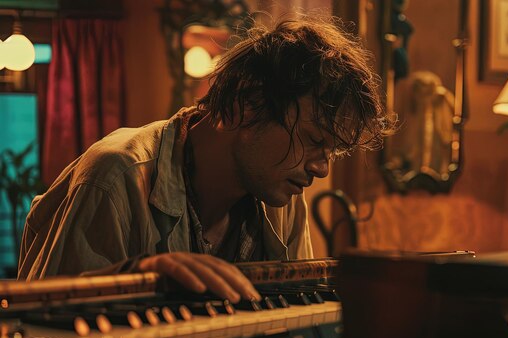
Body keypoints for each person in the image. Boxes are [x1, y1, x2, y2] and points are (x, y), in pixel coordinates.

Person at [17, 15, 395, 303]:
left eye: (331, 151)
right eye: (314, 140)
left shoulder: (283, 197)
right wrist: (139, 281)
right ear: (247, 105)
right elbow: (39, 336)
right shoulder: (115, 177)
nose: (321, 167)